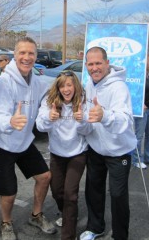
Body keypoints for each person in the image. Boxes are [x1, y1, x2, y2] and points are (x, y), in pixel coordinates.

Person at [0, 37, 56, 240]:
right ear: (14, 55)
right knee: (9, 192)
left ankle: (36, 215)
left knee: (44, 177)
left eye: (31, 53)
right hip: (1, 143)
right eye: (22, 53)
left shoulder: (37, 82)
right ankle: (6, 223)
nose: (27, 57)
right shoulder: (3, 82)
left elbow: (52, 94)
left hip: (24, 141)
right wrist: (10, 121)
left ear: (36, 56)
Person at [80, 47, 137, 240]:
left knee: (118, 195)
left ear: (107, 63)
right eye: (90, 64)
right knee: (93, 190)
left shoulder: (118, 87)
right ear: (86, 65)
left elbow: (125, 120)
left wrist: (104, 116)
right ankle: (96, 228)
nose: (94, 68)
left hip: (118, 152)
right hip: (96, 149)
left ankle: (120, 236)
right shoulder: (90, 84)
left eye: (98, 63)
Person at [36, 70, 92, 240]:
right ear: (57, 88)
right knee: (57, 191)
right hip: (57, 153)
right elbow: (39, 126)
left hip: (78, 153)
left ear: (75, 85)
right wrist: (48, 118)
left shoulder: (83, 101)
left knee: (70, 194)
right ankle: (67, 212)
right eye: (62, 86)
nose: (66, 89)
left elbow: (89, 130)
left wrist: (82, 120)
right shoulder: (50, 101)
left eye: (69, 85)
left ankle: (68, 234)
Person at [132, 55, 149, 169]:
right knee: (139, 136)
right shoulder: (137, 77)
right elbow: (133, 92)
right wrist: (139, 104)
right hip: (141, 110)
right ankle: (136, 159)